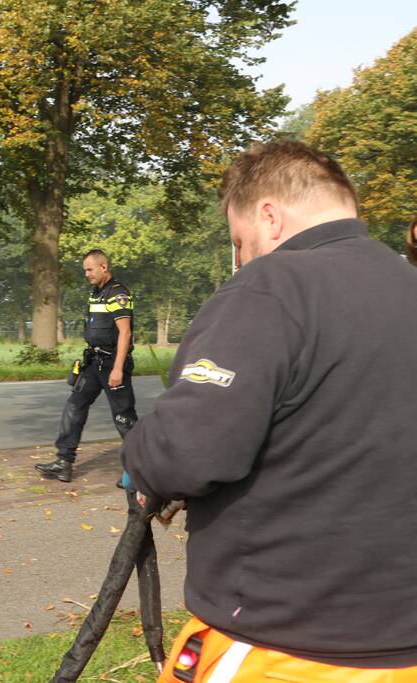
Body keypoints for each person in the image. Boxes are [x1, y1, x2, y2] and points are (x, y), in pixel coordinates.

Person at [121, 140, 417, 681]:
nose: (243, 256)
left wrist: (140, 459)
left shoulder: (271, 287)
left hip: (285, 642)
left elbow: (185, 452)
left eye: (240, 241)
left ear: (270, 216)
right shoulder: (407, 285)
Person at [36, 249, 136, 483]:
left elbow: (125, 333)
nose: (87, 274)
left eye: (90, 269)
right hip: (94, 363)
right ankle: (63, 463)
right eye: (85, 270)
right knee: (74, 406)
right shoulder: (95, 293)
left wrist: (118, 368)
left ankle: (140, 471)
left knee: (124, 418)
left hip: (113, 363)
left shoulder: (118, 293)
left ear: (104, 267)